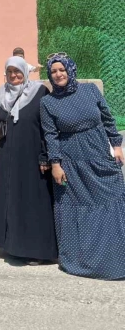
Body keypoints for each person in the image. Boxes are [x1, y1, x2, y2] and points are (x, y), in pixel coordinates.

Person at [40, 54, 125, 279]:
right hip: (72, 163)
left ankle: (116, 256)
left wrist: (117, 145)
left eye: (61, 69)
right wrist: (55, 164)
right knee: (77, 208)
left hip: (99, 155)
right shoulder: (48, 102)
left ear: (70, 70)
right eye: (53, 71)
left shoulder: (90, 90)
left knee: (113, 198)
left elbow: (107, 118)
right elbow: (51, 135)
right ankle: (83, 259)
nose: (58, 74)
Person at [0, 57, 56, 264]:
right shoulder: (2, 93)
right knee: (10, 198)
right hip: (7, 155)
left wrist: (45, 155)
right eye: (10, 71)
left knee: (32, 200)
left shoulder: (39, 92)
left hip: (32, 156)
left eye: (17, 71)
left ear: (25, 72)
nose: (14, 75)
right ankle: (11, 244)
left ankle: (36, 250)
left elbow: (47, 127)